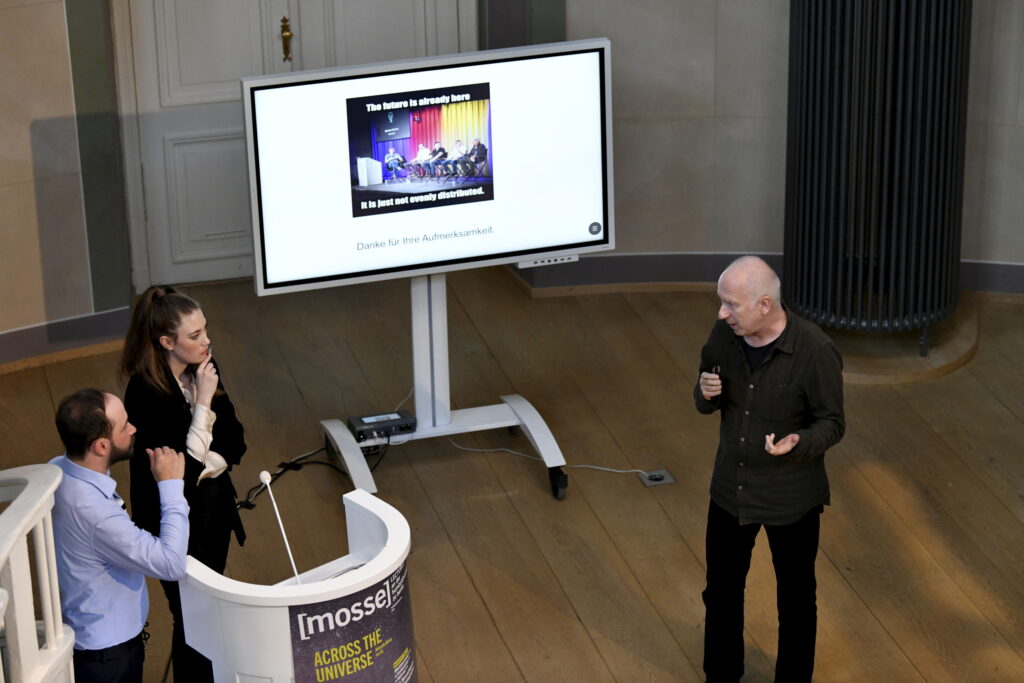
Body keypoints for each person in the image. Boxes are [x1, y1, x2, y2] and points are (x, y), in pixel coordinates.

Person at [694, 255, 845, 682]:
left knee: (796, 601)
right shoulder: (724, 335)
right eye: (721, 303)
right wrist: (706, 393)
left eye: (731, 305)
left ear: (764, 305)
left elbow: (832, 424)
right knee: (721, 593)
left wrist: (799, 442)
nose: (722, 313)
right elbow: (705, 397)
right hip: (731, 490)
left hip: (791, 500)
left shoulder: (815, 351)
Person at [120, 286, 247, 683]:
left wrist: (207, 462)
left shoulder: (205, 365)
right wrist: (205, 402)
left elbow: (237, 438)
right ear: (166, 342)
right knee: (192, 621)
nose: (207, 341)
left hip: (213, 516)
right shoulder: (145, 392)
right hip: (174, 528)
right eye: (195, 336)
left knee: (207, 613)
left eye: (205, 329)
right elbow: (183, 474)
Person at [51, 389, 189, 683]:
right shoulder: (97, 514)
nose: (133, 428)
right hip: (108, 657)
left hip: (89, 635)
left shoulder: (56, 468)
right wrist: (171, 486)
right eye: (124, 425)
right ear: (102, 446)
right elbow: (171, 564)